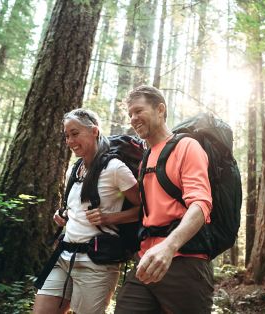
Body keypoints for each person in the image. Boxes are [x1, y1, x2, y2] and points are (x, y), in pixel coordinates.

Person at [115, 86, 214, 313]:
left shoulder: (187, 146)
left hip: (185, 261)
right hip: (146, 260)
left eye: (139, 111)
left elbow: (201, 204)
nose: (133, 118)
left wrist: (169, 247)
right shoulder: (145, 158)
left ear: (160, 110)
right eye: (130, 114)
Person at [33, 108, 140, 314]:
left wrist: (111, 217)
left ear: (94, 131)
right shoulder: (76, 169)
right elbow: (77, 207)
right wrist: (63, 214)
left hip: (97, 263)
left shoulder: (115, 168)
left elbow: (144, 209)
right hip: (63, 256)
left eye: (75, 133)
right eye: (66, 136)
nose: (70, 141)